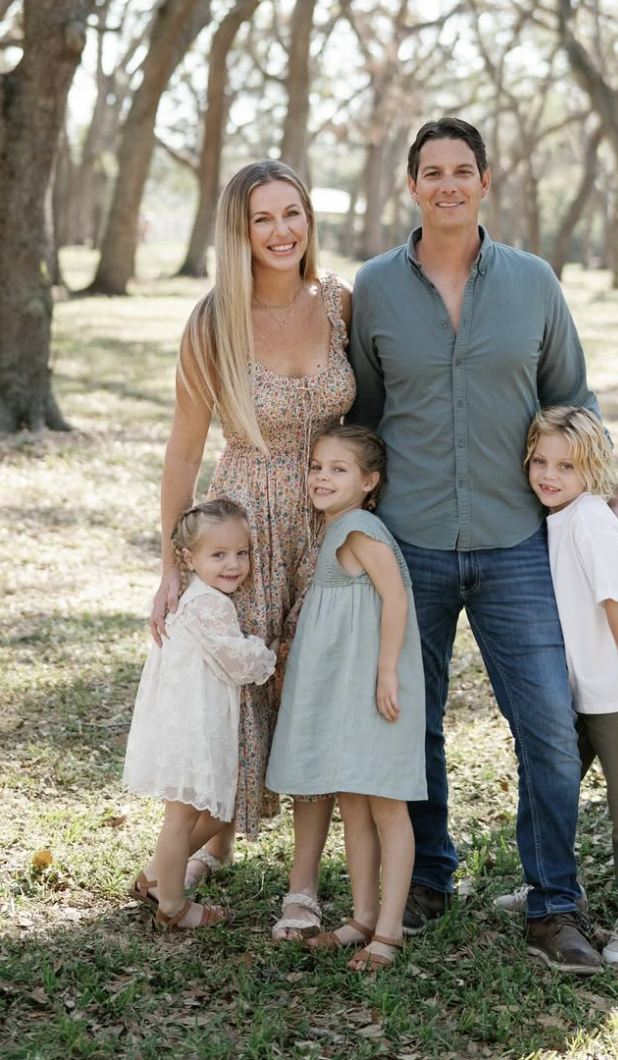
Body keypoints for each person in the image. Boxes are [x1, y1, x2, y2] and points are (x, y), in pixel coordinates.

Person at [349, 116, 618, 974]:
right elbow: (360, 417)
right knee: (412, 723)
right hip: (410, 545)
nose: (447, 184)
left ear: (484, 180)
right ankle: (429, 875)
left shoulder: (535, 283)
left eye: (461, 169)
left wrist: (615, 510)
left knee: (547, 722)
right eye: (431, 171)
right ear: (411, 186)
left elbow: (574, 402)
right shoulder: (372, 290)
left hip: (518, 545)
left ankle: (555, 903)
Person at [149, 160, 355, 940]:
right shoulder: (213, 320)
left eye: (292, 214)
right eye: (262, 219)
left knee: (314, 689)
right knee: (239, 705)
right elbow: (181, 452)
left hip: (330, 519)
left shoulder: (338, 301)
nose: (281, 232)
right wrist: (173, 567)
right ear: (239, 231)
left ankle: (302, 885)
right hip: (248, 529)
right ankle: (191, 855)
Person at [267, 425, 426, 972]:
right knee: (354, 803)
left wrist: (386, 672)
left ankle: (387, 933)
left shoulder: (359, 528)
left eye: (338, 469)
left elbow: (396, 598)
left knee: (385, 804)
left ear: (369, 481)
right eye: (316, 466)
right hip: (350, 686)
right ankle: (360, 918)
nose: (321, 477)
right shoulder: (338, 527)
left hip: (376, 686)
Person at [525, 406, 618, 964]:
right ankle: (552, 890)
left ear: (595, 470)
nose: (549, 474)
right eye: (540, 461)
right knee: (551, 788)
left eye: (567, 465)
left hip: (615, 691)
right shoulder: (559, 515)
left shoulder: (590, 518)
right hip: (577, 688)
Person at [124, 499, 277, 931]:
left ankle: (156, 876)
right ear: (189, 559)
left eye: (241, 553)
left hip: (189, 720)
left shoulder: (199, 597)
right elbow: (239, 663)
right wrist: (269, 650)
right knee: (182, 819)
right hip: (193, 727)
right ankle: (172, 905)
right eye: (219, 555)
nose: (234, 565)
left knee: (215, 812)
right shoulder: (208, 605)